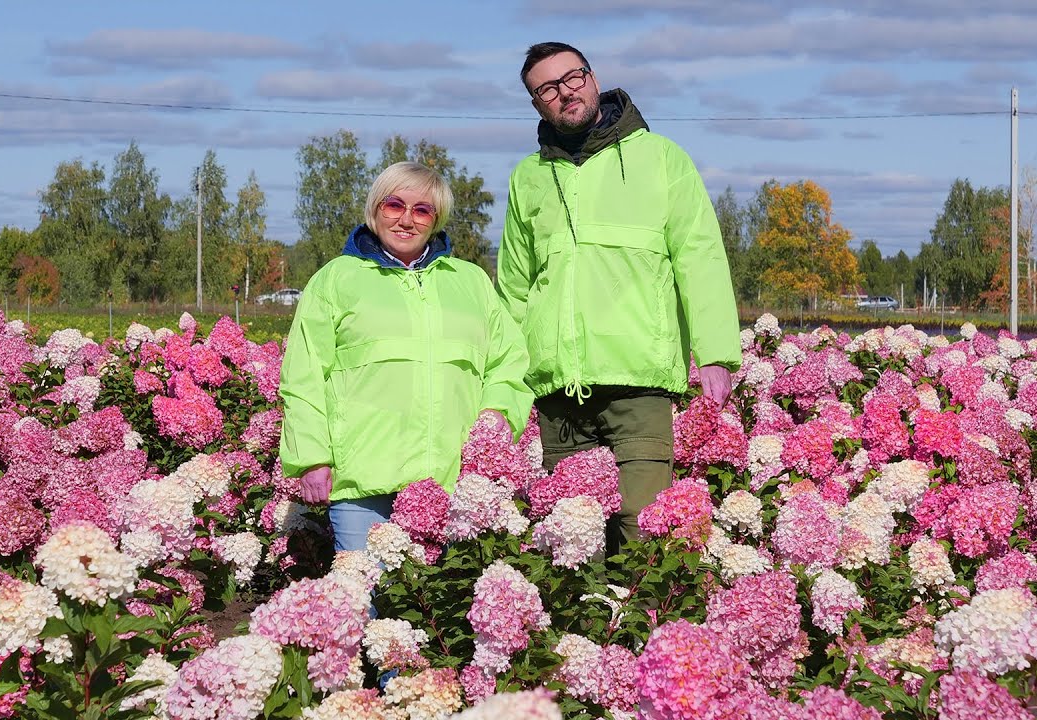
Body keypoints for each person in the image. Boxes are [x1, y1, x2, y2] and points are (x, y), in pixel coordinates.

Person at [498, 42, 742, 545]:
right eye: (547, 88)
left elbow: (700, 256)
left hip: (639, 380)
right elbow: (515, 290)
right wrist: (510, 387)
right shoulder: (528, 177)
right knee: (572, 544)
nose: (564, 93)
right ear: (536, 104)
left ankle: (650, 626)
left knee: (644, 532)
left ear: (592, 78)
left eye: (572, 77)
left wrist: (716, 352)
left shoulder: (661, 158)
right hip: (558, 395)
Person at [280, 162, 534, 552]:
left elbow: (509, 363)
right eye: (394, 205)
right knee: (364, 599)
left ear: (436, 219)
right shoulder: (336, 280)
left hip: (454, 483)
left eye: (422, 210)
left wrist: (496, 419)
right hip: (363, 483)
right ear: (375, 209)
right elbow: (303, 375)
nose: (406, 220)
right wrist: (312, 458)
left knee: (442, 608)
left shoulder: (471, 282)